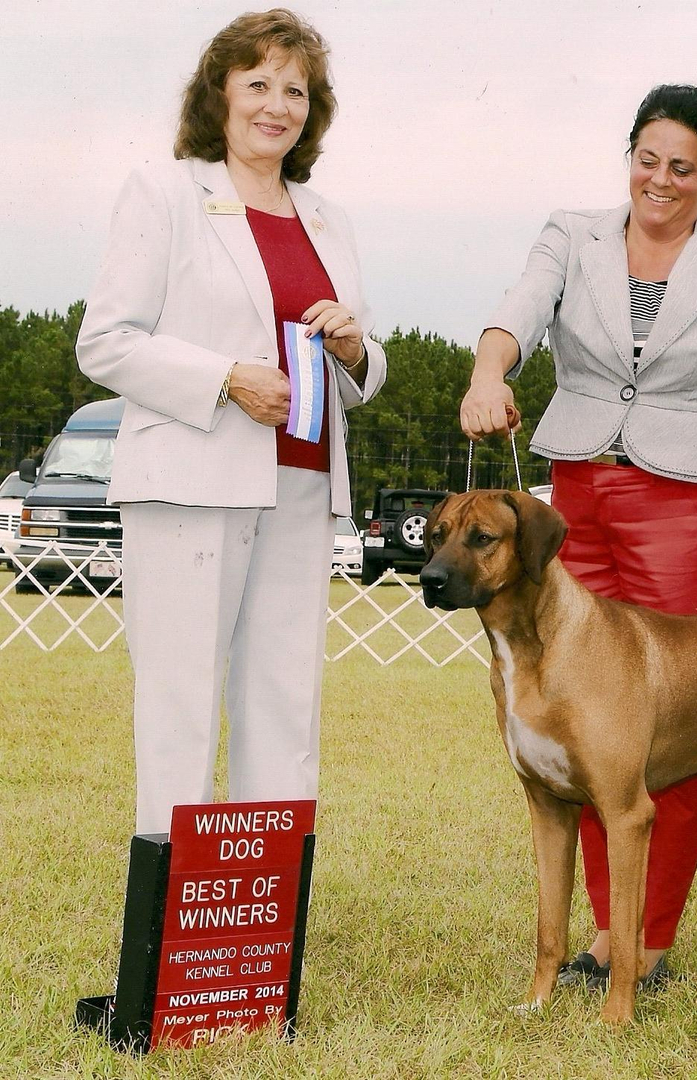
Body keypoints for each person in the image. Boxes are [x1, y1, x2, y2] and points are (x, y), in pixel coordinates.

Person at [460, 84, 697, 989]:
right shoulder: (570, 233)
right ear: (628, 153)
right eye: (646, 157)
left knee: (675, 721)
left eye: (682, 167)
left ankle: (644, 944)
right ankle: (603, 937)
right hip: (573, 503)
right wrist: (485, 370)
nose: (658, 180)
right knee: (578, 720)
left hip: (681, 511)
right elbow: (517, 310)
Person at [77, 9, 386, 834]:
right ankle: (175, 914)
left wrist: (356, 348)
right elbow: (104, 343)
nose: (276, 104)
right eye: (257, 83)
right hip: (191, 483)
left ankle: (260, 922)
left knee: (285, 707)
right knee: (180, 705)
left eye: (295, 88)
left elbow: (359, 364)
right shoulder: (164, 193)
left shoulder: (330, 218)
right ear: (218, 93)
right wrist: (225, 380)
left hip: (302, 483)